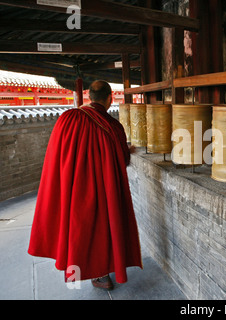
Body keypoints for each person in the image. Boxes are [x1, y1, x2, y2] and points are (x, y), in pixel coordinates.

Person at [28, 80, 142, 290]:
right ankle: (104, 270)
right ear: (110, 99)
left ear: (90, 97)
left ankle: (92, 272)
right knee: (104, 226)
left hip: (74, 187)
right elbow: (122, 160)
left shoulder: (67, 119)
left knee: (79, 228)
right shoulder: (113, 126)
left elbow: (55, 156)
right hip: (104, 188)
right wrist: (128, 150)